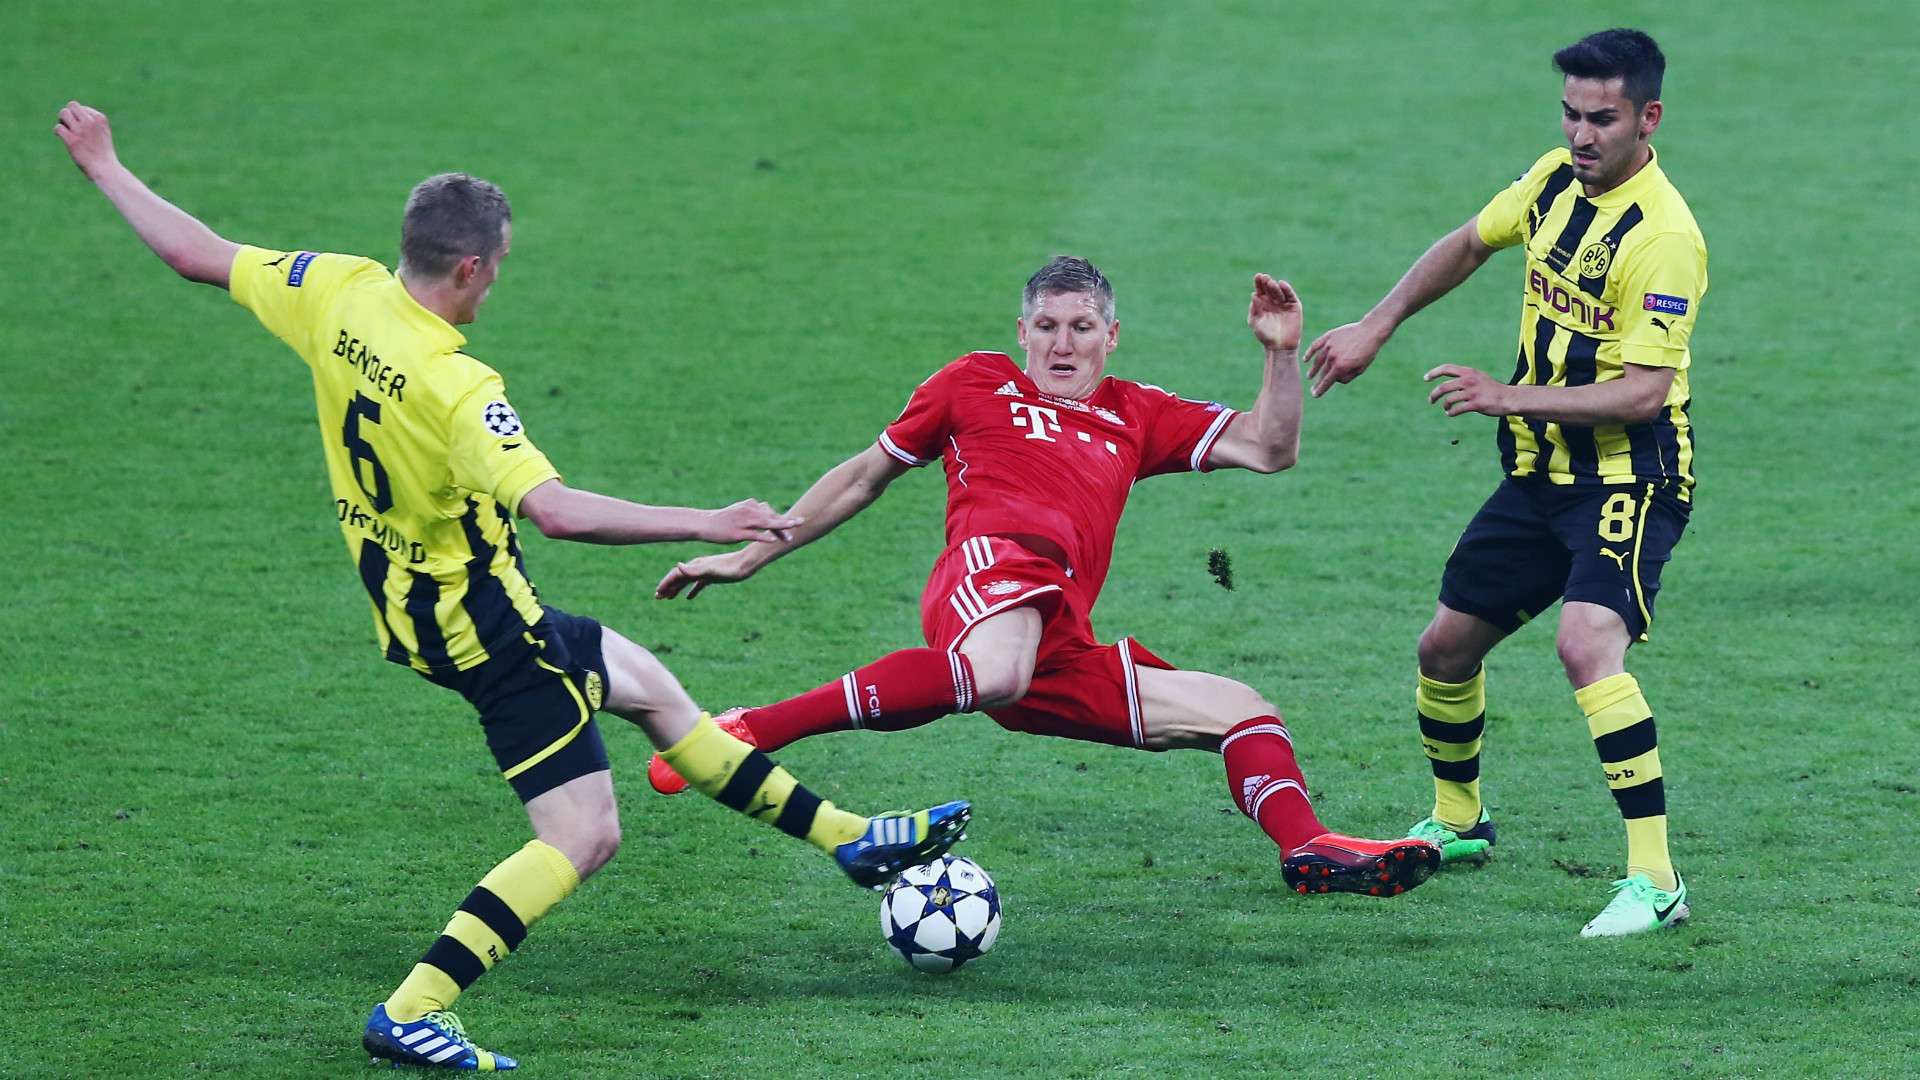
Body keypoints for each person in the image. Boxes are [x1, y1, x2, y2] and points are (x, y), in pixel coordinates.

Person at [54, 101, 971, 1071]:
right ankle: (414, 1006)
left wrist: (105, 166)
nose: (497, 280)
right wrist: (708, 519)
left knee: (651, 688)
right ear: (469, 268)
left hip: (409, 603)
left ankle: (851, 841)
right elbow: (559, 512)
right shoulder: (459, 386)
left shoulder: (338, 289)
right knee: (582, 834)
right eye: (499, 265)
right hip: (484, 625)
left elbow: (197, 253)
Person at [649, 255, 1441, 897]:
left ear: (1112, 335)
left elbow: (1271, 448)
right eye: (1048, 327)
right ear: (1022, 332)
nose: (1063, 345)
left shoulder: (1137, 412)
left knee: (1241, 711)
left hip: (1056, 630)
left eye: (1082, 328)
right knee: (998, 667)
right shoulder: (972, 383)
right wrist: (757, 551)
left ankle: (1310, 850)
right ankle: (748, 728)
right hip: (990, 570)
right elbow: (863, 476)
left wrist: (1277, 353)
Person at [1302, 28, 1706, 937]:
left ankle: (1657, 880)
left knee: (1585, 646)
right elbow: (1471, 242)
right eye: (1569, 113)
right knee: (1443, 651)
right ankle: (1460, 820)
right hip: (1537, 473)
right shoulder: (1555, 181)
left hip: (1628, 478)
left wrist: (1503, 395)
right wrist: (1378, 323)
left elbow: (1644, 394)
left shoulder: (1666, 238)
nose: (1580, 134)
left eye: (1601, 118)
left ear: (1649, 117)